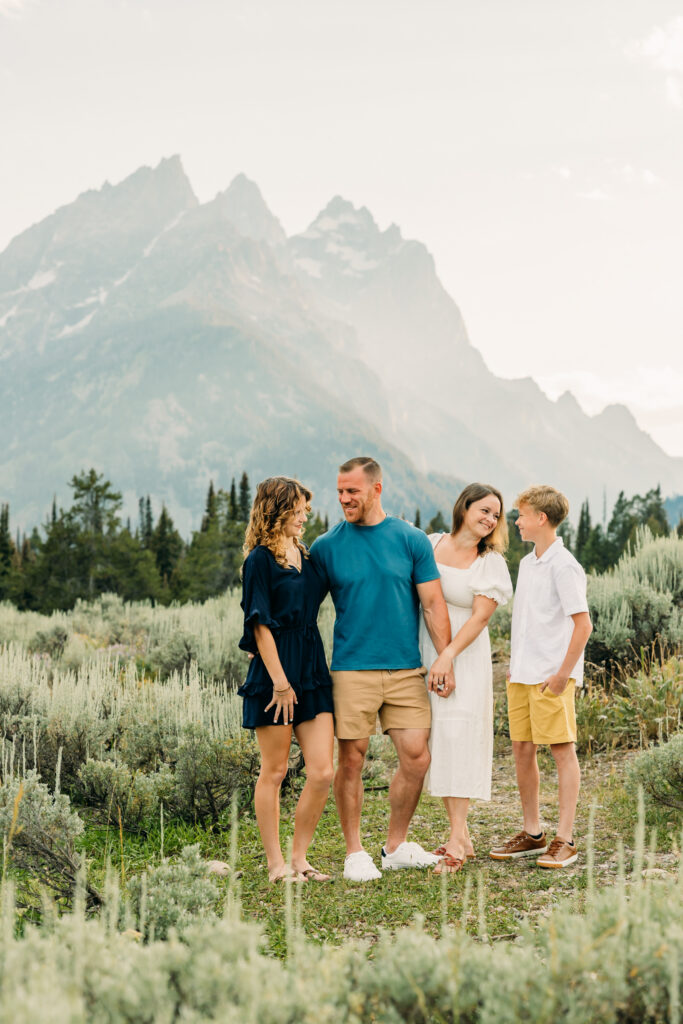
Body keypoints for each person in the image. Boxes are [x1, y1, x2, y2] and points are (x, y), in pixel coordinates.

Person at [310, 456, 453, 882]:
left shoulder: (411, 540)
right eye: (339, 491)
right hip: (352, 670)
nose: (343, 499)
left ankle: (394, 846)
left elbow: (432, 603)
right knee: (351, 759)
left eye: (351, 491)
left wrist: (444, 657)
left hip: (406, 670)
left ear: (376, 489)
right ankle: (355, 852)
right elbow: (303, 609)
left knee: (417, 757)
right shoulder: (326, 547)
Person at [490, 485, 592, 869]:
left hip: (552, 677)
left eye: (522, 515)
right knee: (522, 749)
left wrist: (562, 675)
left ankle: (565, 840)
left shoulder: (565, 565)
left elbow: (583, 626)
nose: (516, 521)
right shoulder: (529, 562)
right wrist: (517, 665)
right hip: (523, 674)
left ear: (541, 519)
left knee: (562, 751)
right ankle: (533, 834)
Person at [238, 477, 335, 883]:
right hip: (274, 674)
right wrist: (279, 682)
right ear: (277, 510)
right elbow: (258, 625)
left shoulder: (309, 558)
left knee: (322, 772)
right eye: (297, 508)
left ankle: (300, 858)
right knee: (274, 771)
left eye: (305, 509)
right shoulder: (259, 560)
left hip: (311, 669)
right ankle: (276, 864)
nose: (304, 515)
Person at [419, 483, 513, 873]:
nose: (490, 519)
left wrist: (448, 657)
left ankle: (457, 839)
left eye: (496, 515)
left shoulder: (489, 562)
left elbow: (480, 617)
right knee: (437, 739)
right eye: (484, 510)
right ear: (465, 506)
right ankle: (464, 836)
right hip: (428, 654)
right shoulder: (430, 543)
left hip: (463, 656)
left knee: (459, 737)